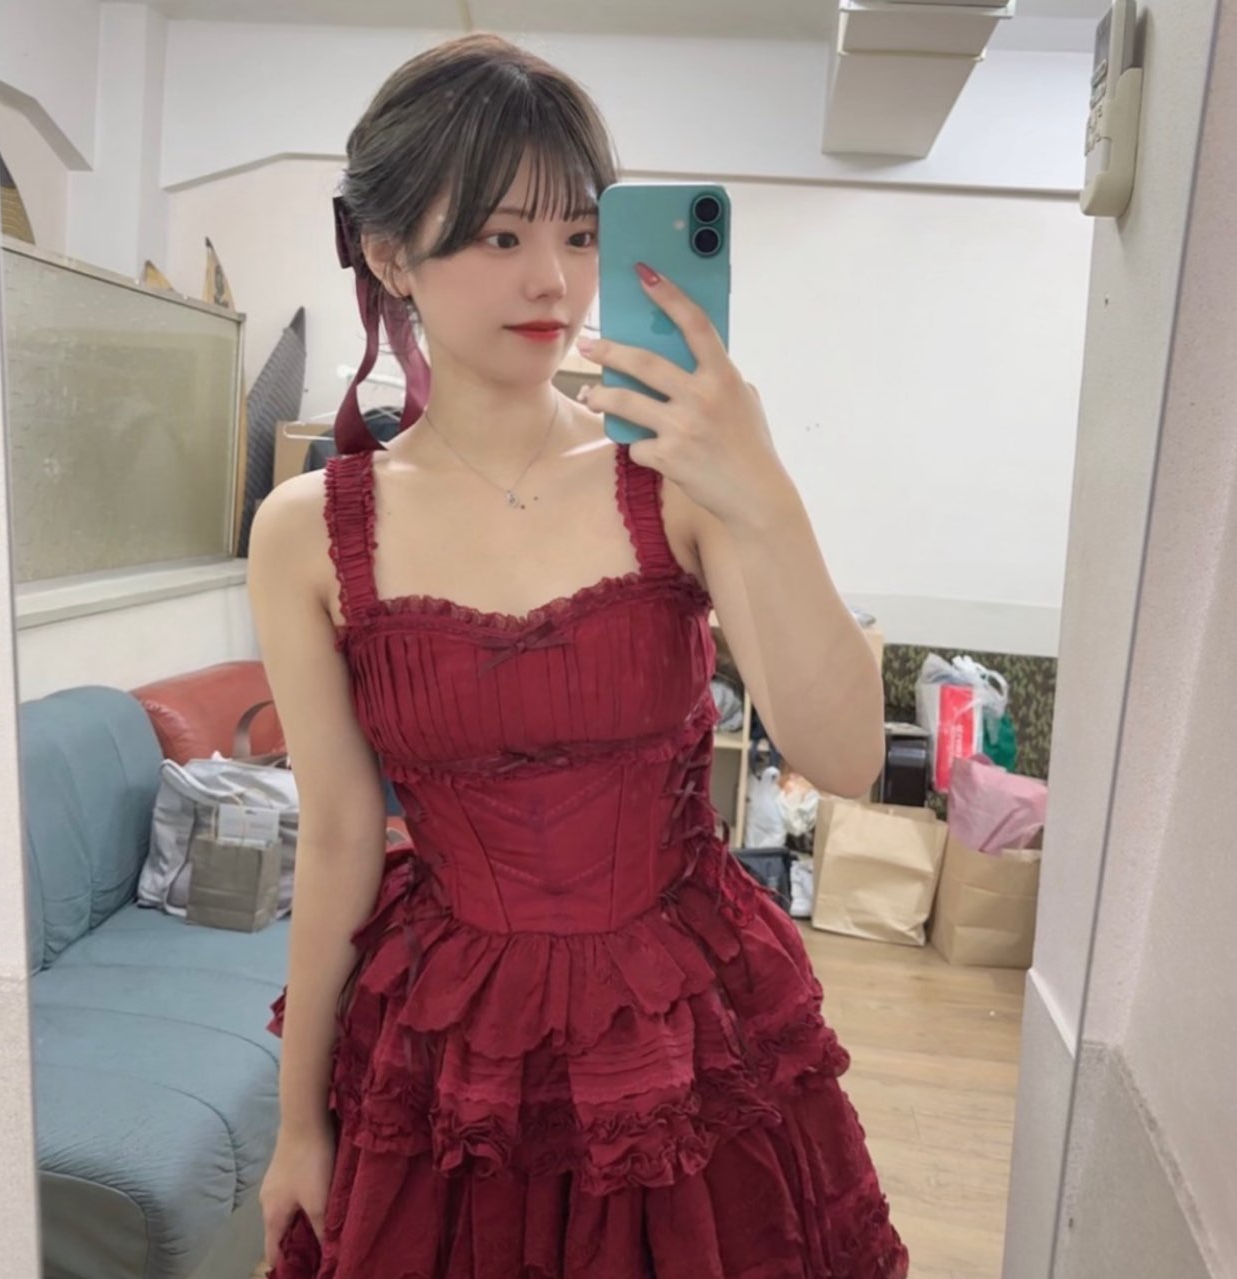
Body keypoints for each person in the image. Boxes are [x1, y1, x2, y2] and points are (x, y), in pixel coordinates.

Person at [247, 32, 908, 1279]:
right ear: (389, 255)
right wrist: (297, 1124)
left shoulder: (674, 478)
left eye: (580, 233)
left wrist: (763, 487)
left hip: (683, 1029)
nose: (552, 279)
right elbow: (336, 837)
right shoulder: (306, 533)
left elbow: (848, 756)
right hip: (450, 1048)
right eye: (500, 237)